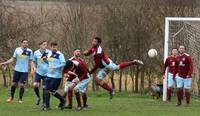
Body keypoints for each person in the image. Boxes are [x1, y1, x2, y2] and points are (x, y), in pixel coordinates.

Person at [0, 39, 34, 104]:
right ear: (21, 43)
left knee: (21, 85)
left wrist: (32, 69)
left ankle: (20, 99)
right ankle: (11, 97)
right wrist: (5, 63)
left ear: (27, 44)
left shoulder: (30, 51)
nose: (25, 44)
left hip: (24, 71)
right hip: (17, 70)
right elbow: (13, 58)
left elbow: (31, 61)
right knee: (14, 84)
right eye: (24, 43)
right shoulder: (17, 49)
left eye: (26, 43)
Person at [42, 42, 66, 110]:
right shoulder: (48, 53)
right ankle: (47, 106)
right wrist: (45, 60)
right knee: (46, 90)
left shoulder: (60, 54)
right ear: (51, 47)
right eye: (53, 46)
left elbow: (63, 63)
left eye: (55, 46)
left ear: (57, 47)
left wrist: (56, 67)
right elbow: (48, 62)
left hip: (57, 76)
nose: (54, 48)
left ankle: (62, 100)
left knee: (52, 91)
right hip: (48, 75)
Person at [32, 40, 50, 105]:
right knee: (35, 85)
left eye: (46, 44)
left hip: (47, 73)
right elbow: (33, 61)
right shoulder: (36, 52)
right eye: (44, 44)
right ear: (40, 45)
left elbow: (51, 61)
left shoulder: (49, 52)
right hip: (38, 72)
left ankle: (44, 103)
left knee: (44, 88)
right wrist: (34, 68)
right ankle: (38, 97)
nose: (45, 46)